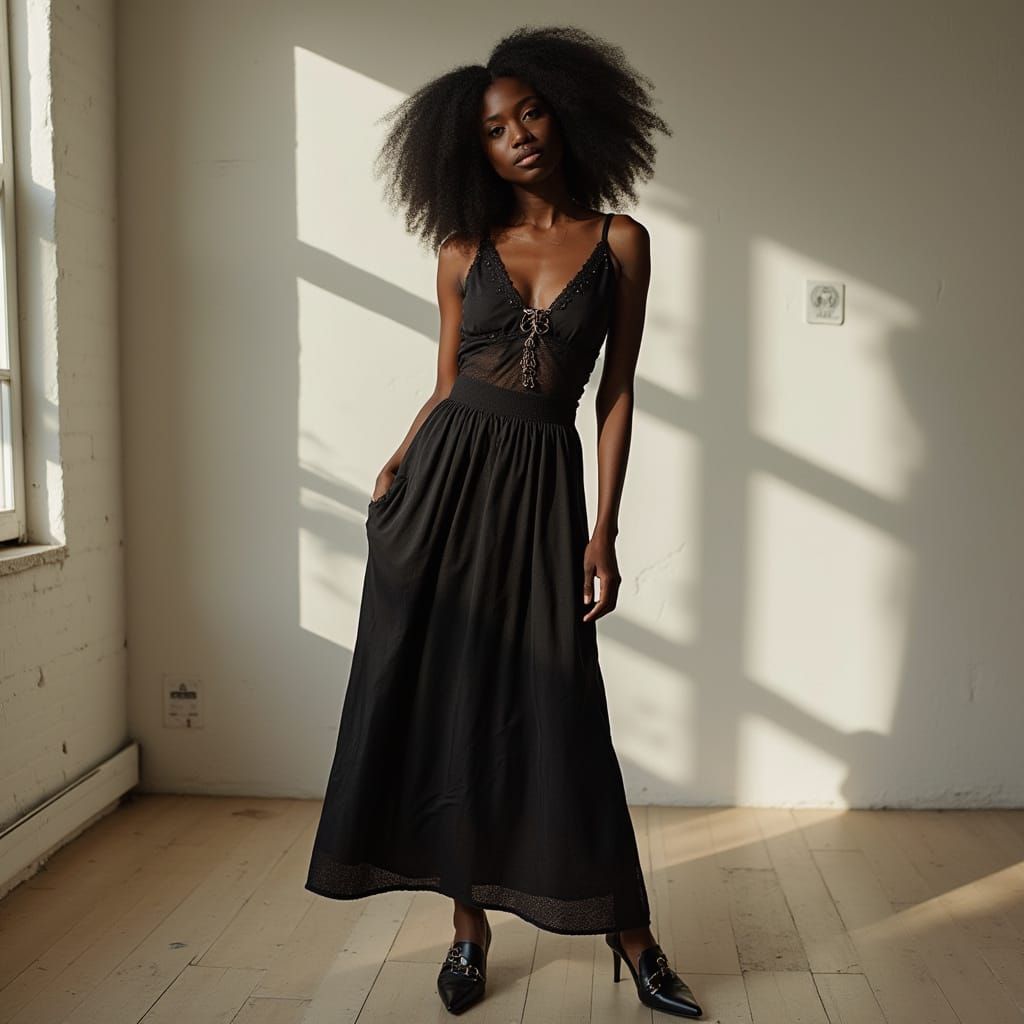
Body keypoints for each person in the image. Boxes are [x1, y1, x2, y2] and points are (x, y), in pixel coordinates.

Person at [305, 24, 702, 1020]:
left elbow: (614, 394)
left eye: (529, 113)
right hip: (441, 490)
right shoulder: (461, 251)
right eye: (493, 127)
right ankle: (467, 925)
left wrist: (602, 532)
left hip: (542, 490)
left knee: (560, 708)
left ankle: (635, 935)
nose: (518, 135)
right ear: (469, 150)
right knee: (447, 705)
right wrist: (398, 459)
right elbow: (446, 386)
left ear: (564, 115)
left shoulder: (620, 241)